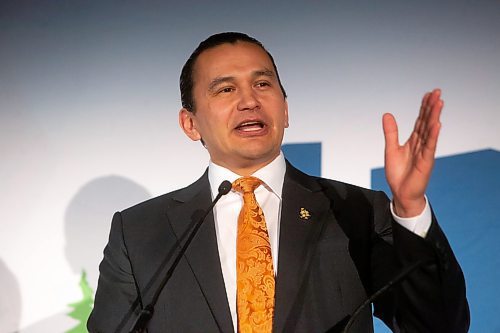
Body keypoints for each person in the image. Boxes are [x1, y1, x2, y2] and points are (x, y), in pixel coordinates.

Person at [88, 32, 469, 332]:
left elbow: (437, 325)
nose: (249, 101)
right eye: (225, 89)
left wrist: (409, 207)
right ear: (190, 124)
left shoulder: (354, 211)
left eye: (263, 84)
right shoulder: (139, 231)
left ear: (285, 110)